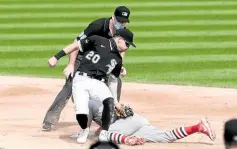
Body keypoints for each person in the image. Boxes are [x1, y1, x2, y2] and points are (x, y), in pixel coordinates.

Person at [42, 6, 131, 131]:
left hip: (100, 61)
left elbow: (120, 50)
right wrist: (71, 64)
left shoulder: (121, 33)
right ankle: (49, 121)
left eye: (124, 22)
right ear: (113, 17)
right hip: (83, 56)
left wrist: (119, 65)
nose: (121, 24)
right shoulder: (98, 25)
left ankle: (110, 116)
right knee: (70, 85)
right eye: (119, 20)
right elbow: (77, 42)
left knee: (116, 82)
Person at [48, 28, 136, 144]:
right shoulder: (98, 40)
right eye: (127, 44)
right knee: (82, 113)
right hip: (81, 80)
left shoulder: (117, 59)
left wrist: (116, 102)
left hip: (98, 83)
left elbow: (114, 80)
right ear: (119, 39)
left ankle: (104, 133)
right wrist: (56, 57)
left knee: (108, 101)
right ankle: (84, 130)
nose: (127, 48)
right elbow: (75, 46)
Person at [71, 100, 216, 145]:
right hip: (137, 120)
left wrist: (90, 133)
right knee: (166, 137)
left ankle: (127, 139)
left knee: (102, 136)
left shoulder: (86, 102)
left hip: (124, 125)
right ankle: (198, 127)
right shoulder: (104, 93)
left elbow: (86, 125)